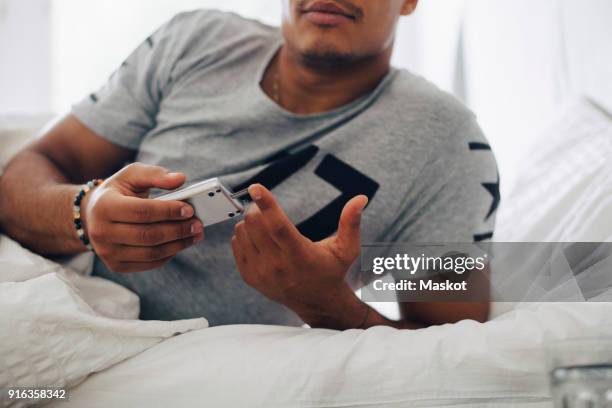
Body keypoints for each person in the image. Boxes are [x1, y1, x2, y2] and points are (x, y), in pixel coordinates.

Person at [0, 0, 498, 329]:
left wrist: (325, 303)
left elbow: (451, 342)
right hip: (62, 305)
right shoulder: (194, 40)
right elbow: (26, 175)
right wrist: (84, 212)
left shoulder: (447, 141)